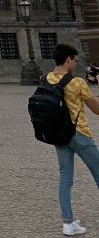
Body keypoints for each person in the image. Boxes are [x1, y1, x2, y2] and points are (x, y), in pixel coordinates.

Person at [47, 43, 99, 236]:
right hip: (79, 133)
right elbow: (97, 109)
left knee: (65, 178)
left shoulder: (46, 78)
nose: (76, 64)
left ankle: (68, 223)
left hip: (58, 134)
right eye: (75, 60)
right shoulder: (76, 82)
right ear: (68, 59)